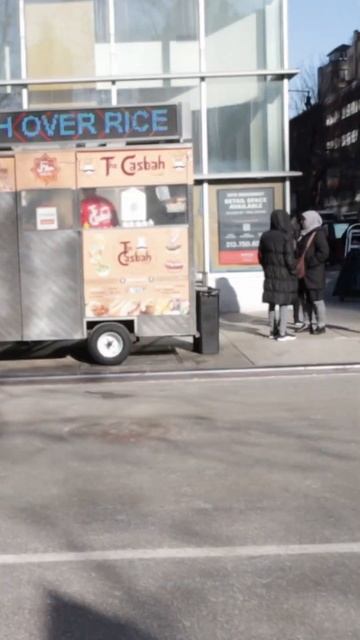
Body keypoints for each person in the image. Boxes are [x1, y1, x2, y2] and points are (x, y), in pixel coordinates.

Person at [259, 209, 298, 341]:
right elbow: (289, 258)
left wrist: (267, 268)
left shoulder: (265, 236)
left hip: (270, 273)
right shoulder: (286, 236)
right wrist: (294, 270)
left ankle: (272, 331)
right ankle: (282, 332)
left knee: (272, 302)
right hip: (284, 274)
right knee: (283, 302)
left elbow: (261, 256)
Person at [296, 210, 329, 334]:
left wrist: (310, 262)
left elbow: (324, 252)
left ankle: (321, 325)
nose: (301, 222)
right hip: (304, 273)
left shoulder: (318, 233)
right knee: (305, 299)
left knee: (317, 299)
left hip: (314, 273)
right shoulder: (304, 234)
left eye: (303, 219)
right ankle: (307, 323)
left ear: (310, 219)